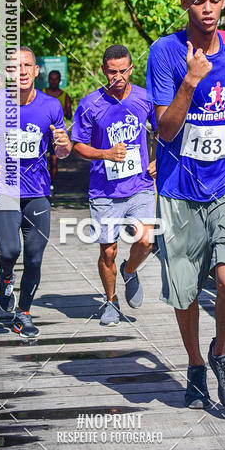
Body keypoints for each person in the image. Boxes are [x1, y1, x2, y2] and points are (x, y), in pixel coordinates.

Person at [146, 0, 225, 410]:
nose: (208, 9)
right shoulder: (165, 53)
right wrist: (191, 81)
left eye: (214, 0)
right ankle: (195, 363)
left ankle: (221, 353)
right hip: (178, 190)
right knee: (186, 291)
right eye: (198, 1)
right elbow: (166, 132)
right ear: (184, 4)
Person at [0, 47, 72, 339]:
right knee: (10, 251)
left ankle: (23, 313)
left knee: (35, 258)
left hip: (37, 191)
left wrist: (63, 144)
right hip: (4, 190)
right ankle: (5, 275)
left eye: (27, 65)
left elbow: (62, 150)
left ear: (36, 71)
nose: (21, 71)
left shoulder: (51, 106)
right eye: (14, 67)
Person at [72, 45, 156, 326]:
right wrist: (105, 153)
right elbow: (78, 147)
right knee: (108, 250)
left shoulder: (145, 98)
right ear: (103, 71)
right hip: (104, 191)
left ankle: (130, 271)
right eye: (112, 72)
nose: (117, 77)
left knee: (146, 239)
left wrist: (161, 161)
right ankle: (111, 302)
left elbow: (167, 131)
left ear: (131, 69)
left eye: (123, 71)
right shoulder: (90, 105)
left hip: (140, 185)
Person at [43, 70, 72, 194]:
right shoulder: (42, 93)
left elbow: (69, 115)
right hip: (42, 133)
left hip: (56, 134)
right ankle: (40, 183)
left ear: (59, 80)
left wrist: (60, 112)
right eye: (51, 78)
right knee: (39, 160)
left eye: (56, 79)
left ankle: (50, 184)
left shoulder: (64, 96)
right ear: (48, 80)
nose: (54, 81)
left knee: (54, 162)